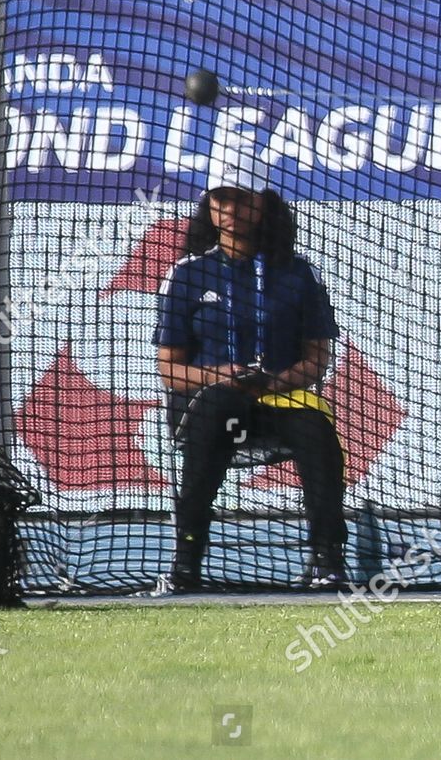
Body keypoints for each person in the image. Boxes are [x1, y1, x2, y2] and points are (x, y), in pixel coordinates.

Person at [152, 147, 347, 592]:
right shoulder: (186, 275)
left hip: (278, 397)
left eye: (241, 199)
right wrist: (224, 376)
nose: (230, 210)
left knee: (316, 430)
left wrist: (273, 381)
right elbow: (169, 370)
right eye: (220, 199)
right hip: (210, 402)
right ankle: (186, 563)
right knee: (220, 407)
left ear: (262, 204)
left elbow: (318, 358)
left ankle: (326, 558)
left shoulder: (299, 274)